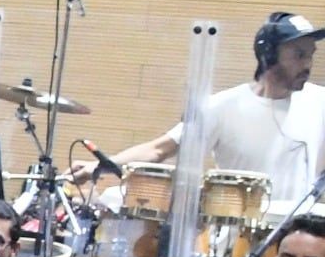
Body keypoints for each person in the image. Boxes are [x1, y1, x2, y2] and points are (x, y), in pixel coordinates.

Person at [107, 13, 325, 212]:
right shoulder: (222, 107)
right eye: (299, 55)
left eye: (310, 55)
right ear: (268, 55)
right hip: (240, 234)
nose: (308, 64)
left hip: (299, 237)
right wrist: (100, 166)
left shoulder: (319, 101)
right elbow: (158, 150)